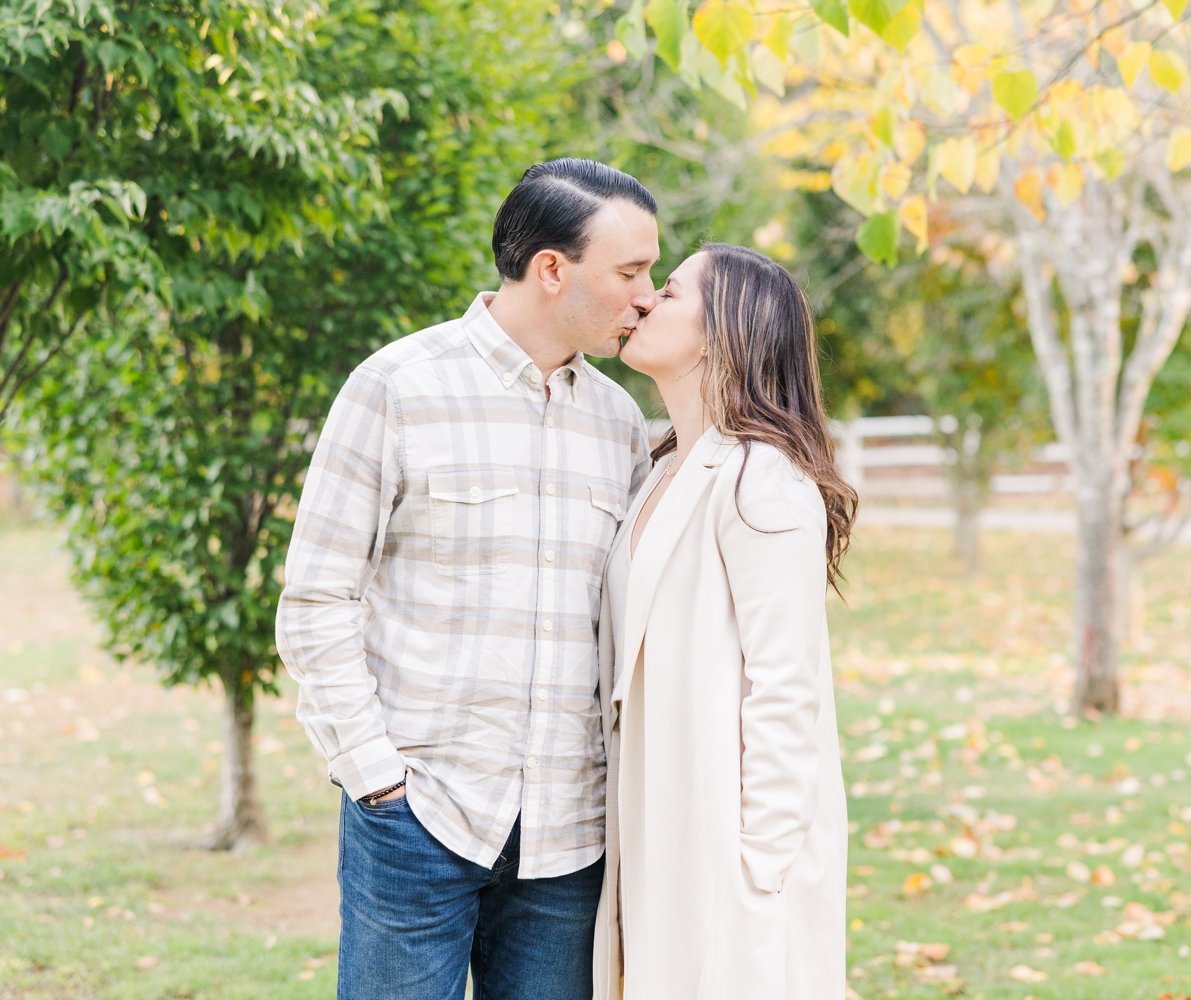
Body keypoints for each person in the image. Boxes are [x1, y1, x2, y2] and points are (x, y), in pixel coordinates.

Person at [275, 158, 658, 1000]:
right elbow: (315, 599)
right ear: (552, 269)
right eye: (631, 272)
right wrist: (374, 773)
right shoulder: (397, 386)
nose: (648, 296)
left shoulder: (621, 422)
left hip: (571, 838)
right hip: (419, 817)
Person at [593, 243, 858, 999]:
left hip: (726, 848)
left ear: (724, 331)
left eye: (669, 293)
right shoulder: (660, 471)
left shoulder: (762, 479)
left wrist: (758, 870)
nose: (643, 302)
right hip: (654, 822)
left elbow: (787, 686)